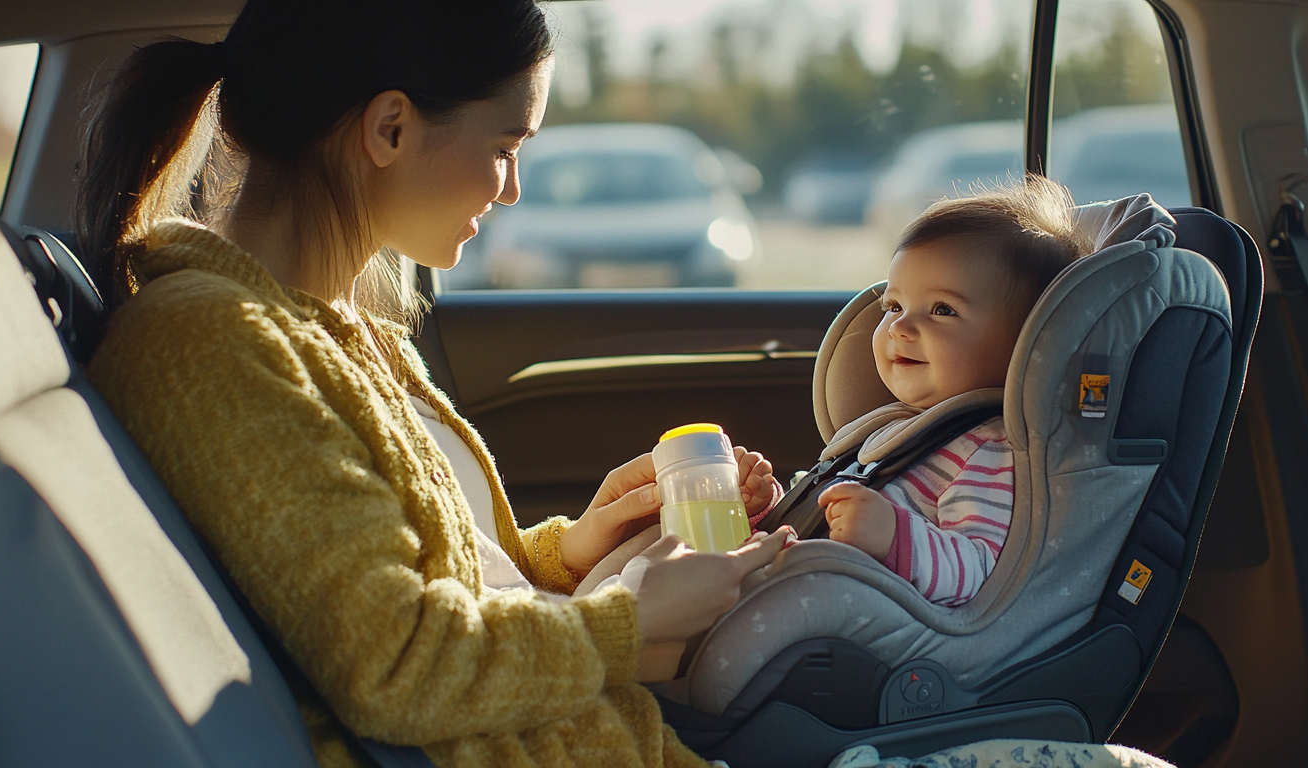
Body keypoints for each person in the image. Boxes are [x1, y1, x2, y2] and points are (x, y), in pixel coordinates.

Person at [76, 1, 790, 766]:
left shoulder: (355, 338)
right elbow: (397, 663)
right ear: (390, 128)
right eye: (505, 146)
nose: (512, 188)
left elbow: (444, 572)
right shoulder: (211, 346)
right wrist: (630, 622)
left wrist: (570, 552)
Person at [756, 177, 1091, 607]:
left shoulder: (990, 451)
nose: (899, 327)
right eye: (894, 306)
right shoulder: (895, 428)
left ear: (1025, 344)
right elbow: (829, 520)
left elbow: (977, 571)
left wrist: (893, 536)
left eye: (942, 310)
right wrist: (770, 512)